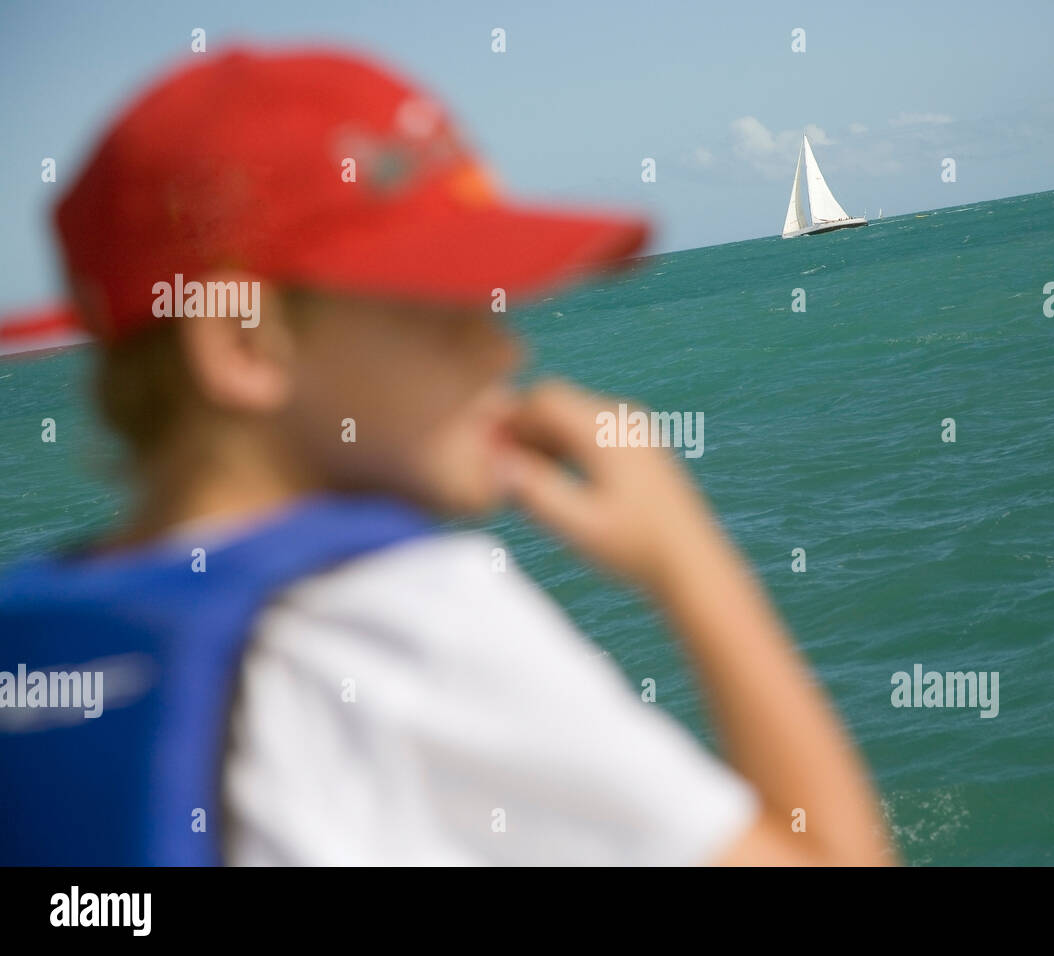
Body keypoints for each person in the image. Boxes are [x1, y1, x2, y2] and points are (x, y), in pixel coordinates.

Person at [0, 46, 894, 866]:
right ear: (243, 344)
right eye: (446, 309)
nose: (504, 351)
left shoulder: (35, 637)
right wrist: (685, 556)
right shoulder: (396, 623)